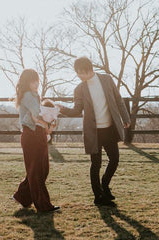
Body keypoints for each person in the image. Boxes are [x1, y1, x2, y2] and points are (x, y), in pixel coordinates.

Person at [59, 57, 131, 206]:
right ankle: (98, 196)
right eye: (77, 73)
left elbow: (118, 100)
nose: (79, 76)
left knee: (115, 159)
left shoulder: (106, 80)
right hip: (94, 132)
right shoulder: (79, 89)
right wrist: (62, 109)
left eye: (81, 73)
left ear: (90, 69)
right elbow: (77, 110)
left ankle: (105, 184)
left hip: (110, 128)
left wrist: (125, 117)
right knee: (95, 164)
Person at [13, 69, 60, 213]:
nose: (36, 83)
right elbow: (35, 116)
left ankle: (22, 196)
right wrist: (47, 123)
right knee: (37, 171)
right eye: (33, 80)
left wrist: (48, 125)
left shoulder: (34, 95)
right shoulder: (28, 95)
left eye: (37, 80)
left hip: (37, 134)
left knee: (41, 170)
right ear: (27, 82)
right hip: (31, 135)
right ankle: (43, 205)